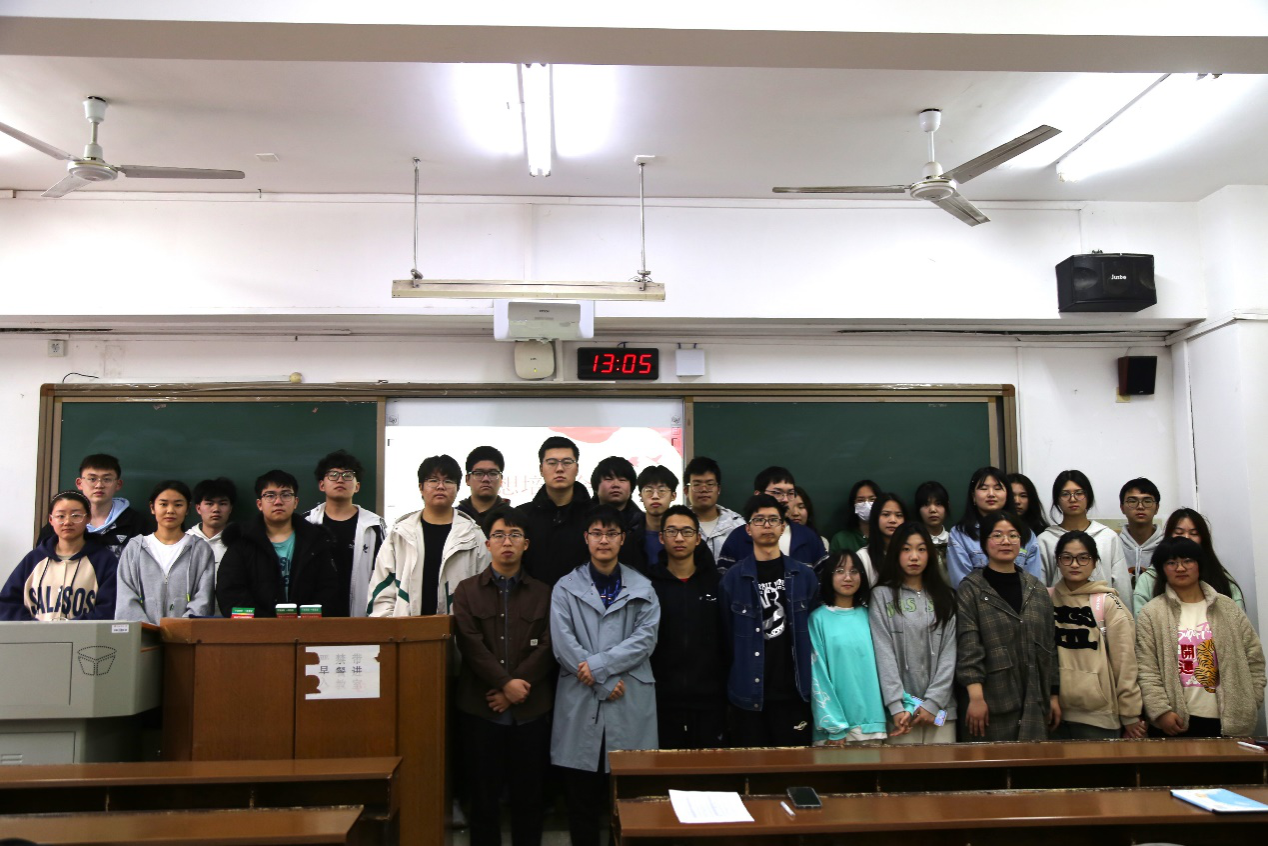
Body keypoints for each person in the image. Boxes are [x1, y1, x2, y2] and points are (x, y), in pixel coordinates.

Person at [550, 506, 660, 846]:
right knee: (580, 800)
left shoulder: (643, 587)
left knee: (627, 802)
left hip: (629, 699)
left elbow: (645, 640)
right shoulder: (565, 588)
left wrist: (598, 668)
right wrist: (604, 680)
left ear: (622, 539)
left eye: (611, 534)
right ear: (586, 538)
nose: (603, 540)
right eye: (596, 533)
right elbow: (563, 644)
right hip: (582, 698)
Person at [452, 510, 555, 846]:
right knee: (483, 800)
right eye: (498, 535)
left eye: (514, 535)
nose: (506, 542)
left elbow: (550, 645)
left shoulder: (544, 592)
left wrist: (514, 688)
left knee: (529, 799)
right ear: (487, 544)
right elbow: (470, 645)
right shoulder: (467, 591)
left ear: (526, 544)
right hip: (481, 710)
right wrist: (504, 684)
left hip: (530, 710)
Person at [1135, 537, 1265, 738]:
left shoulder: (1227, 607)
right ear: (1162, 569)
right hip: (1175, 721)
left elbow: (1254, 658)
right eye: (1171, 562)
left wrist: (1249, 701)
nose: (1180, 568)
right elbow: (1146, 669)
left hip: (1230, 720)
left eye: (1187, 560)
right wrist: (1160, 712)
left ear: (1199, 564)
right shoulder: (1152, 613)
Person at [719, 494, 819, 747]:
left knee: (794, 765)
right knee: (753, 767)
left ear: (783, 526)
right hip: (748, 695)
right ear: (748, 529)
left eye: (773, 519)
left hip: (794, 693)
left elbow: (815, 635)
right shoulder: (733, 579)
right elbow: (725, 637)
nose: (766, 525)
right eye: (759, 520)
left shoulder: (804, 576)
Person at [956, 510, 1060, 742]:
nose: (1006, 541)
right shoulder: (971, 589)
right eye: (997, 535)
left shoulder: (1037, 589)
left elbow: (1050, 647)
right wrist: (976, 697)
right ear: (985, 543)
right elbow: (968, 646)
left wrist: (1053, 695)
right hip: (990, 702)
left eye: (1013, 535)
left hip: (1035, 701)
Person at [1049, 530, 1146, 740]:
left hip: (1098, 716)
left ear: (1094, 562)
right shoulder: (1044, 600)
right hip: (1052, 712)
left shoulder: (1108, 603)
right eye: (1067, 557)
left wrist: (1130, 713)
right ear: (1057, 561)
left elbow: (1125, 663)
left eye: (1083, 558)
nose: (1075, 564)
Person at [869, 522, 958, 744]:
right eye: (906, 549)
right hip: (900, 714)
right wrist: (897, 706)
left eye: (921, 549)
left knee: (944, 766)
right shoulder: (881, 596)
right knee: (902, 768)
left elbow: (950, 653)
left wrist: (933, 703)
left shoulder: (946, 597)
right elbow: (883, 653)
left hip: (941, 712)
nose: (914, 557)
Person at [369, 455, 490, 616]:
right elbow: (381, 592)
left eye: (448, 481)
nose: (440, 486)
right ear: (421, 487)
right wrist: (393, 627)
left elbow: (484, 593)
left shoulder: (473, 535)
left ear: (457, 488)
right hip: (405, 629)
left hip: (459, 629)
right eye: (433, 480)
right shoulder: (400, 534)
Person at [647, 505, 727, 749]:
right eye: (672, 531)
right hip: (660, 699)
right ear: (661, 538)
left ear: (698, 538)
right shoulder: (647, 585)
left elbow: (726, 640)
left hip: (710, 700)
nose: (679, 538)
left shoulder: (717, 584)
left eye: (687, 532)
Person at [217, 470, 341, 618]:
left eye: (286, 495)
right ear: (259, 504)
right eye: (270, 496)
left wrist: (303, 620)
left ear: (295, 502)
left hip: (307, 627)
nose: (278, 501)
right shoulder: (242, 542)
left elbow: (328, 590)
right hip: (257, 629)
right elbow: (230, 593)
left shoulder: (316, 541)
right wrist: (268, 623)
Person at [809, 550, 888, 745]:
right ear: (829, 576)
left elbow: (888, 667)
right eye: (839, 571)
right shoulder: (817, 619)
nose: (847, 577)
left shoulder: (872, 615)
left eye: (854, 571)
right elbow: (818, 676)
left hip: (873, 726)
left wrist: (907, 704)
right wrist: (834, 727)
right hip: (834, 733)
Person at [1, 491, 117, 621]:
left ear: (88, 518)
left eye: (76, 515)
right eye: (60, 516)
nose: (67, 522)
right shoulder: (33, 559)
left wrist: (72, 628)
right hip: (35, 634)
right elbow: (7, 604)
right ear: (51, 520)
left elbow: (109, 608)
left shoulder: (104, 560)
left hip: (86, 634)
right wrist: (35, 627)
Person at [115, 481, 216, 623]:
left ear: (187, 509)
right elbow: (125, 599)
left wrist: (178, 629)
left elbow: (203, 600)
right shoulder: (134, 549)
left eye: (178, 505)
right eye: (163, 504)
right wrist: (148, 630)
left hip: (186, 634)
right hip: (142, 635)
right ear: (152, 507)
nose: (170, 510)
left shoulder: (201, 550)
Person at [304, 450, 386, 617]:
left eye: (348, 475)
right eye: (333, 475)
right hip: (313, 616)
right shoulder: (306, 523)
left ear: (357, 486)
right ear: (321, 485)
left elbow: (384, 574)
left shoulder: (374, 525)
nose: (340, 479)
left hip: (359, 616)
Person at [1038, 470, 1131, 605]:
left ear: (1089, 497)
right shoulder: (1045, 540)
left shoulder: (1108, 537)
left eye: (1079, 493)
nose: (1072, 499)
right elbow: (1040, 587)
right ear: (1057, 499)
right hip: (1059, 612)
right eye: (1065, 494)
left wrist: (1124, 614)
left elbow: (1122, 585)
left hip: (1103, 612)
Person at [1132, 508, 1244, 615]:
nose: (1186, 538)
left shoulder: (1221, 579)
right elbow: (1142, 623)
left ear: (1203, 539)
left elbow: (1238, 622)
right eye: (1179, 533)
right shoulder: (1149, 580)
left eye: (1194, 533)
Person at [946, 467, 1042, 588]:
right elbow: (962, 585)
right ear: (973, 496)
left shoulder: (1026, 533)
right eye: (984, 488)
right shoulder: (960, 534)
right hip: (975, 599)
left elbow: (1034, 586)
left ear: (1007, 494)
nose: (991, 494)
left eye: (997, 488)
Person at [717, 467, 827, 572]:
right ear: (758, 495)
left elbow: (824, 578)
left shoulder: (807, 536)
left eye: (790, 493)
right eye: (777, 493)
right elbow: (725, 580)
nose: (785, 499)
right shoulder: (738, 537)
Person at [516, 437, 592, 586]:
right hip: (534, 598)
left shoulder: (594, 515)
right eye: (552, 463)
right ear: (541, 469)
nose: (559, 469)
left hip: (583, 598)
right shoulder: (522, 515)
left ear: (577, 468)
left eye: (567, 462)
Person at [38, 454, 147, 557]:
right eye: (92, 479)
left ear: (118, 484)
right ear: (79, 483)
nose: (99, 485)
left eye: (107, 479)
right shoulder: (59, 525)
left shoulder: (136, 523)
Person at [683, 456, 744, 563]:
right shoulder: (678, 525)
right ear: (686, 491)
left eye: (710, 484)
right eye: (697, 485)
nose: (704, 489)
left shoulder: (737, 525)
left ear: (718, 489)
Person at [1118, 477, 1163, 589]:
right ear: (1122, 508)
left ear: (1157, 508)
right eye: (1132, 501)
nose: (1140, 507)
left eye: (1147, 501)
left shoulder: (1167, 545)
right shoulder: (1114, 544)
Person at [854, 492, 906, 584]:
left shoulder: (911, 555)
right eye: (886, 514)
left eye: (898, 515)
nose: (893, 520)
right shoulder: (863, 557)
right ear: (875, 518)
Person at [635, 465, 678, 573]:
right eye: (648, 490)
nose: (655, 496)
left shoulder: (683, 536)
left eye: (662, 490)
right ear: (640, 496)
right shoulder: (630, 538)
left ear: (673, 496)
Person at [188, 477, 236, 571]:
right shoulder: (185, 541)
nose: (216, 509)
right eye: (209, 503)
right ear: (198, 508)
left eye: (222, 504)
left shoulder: (239, 543)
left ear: (230, 508)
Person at [590, 455, 644, 537]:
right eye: (609, 479)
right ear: (596, 486)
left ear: (631, 488)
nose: (616, 485)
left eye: (622, 480)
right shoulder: (580, 518)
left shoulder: (643, 523)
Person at [457, 446, 511, 521]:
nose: (486, 479)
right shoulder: (454, 517)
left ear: (501, 479)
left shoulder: (513, 519)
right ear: (467, 479)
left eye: (492, 473)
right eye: (479, 473)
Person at [828, 479, 881, 556]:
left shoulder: (887, 536)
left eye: (872, 499)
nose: (866, 504)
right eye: (861, 500)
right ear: (853, 505)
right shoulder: (840, 540)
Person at [913, 481, 951, 577]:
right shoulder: (914, 543)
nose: (933, 510)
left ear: (947, 506)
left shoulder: (955, 541)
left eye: (938, 504)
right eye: (926, 504)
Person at [1005, 472, 1048, 539]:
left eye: (1023, 496)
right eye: (1011, 496)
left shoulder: (1043, 535)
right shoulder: (993, 529)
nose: (1017, 501)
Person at [787, 486, 829, 552]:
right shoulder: (775, 542)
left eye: (801, 507)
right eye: (789, 508)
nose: (795, 513)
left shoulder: (820, 541)